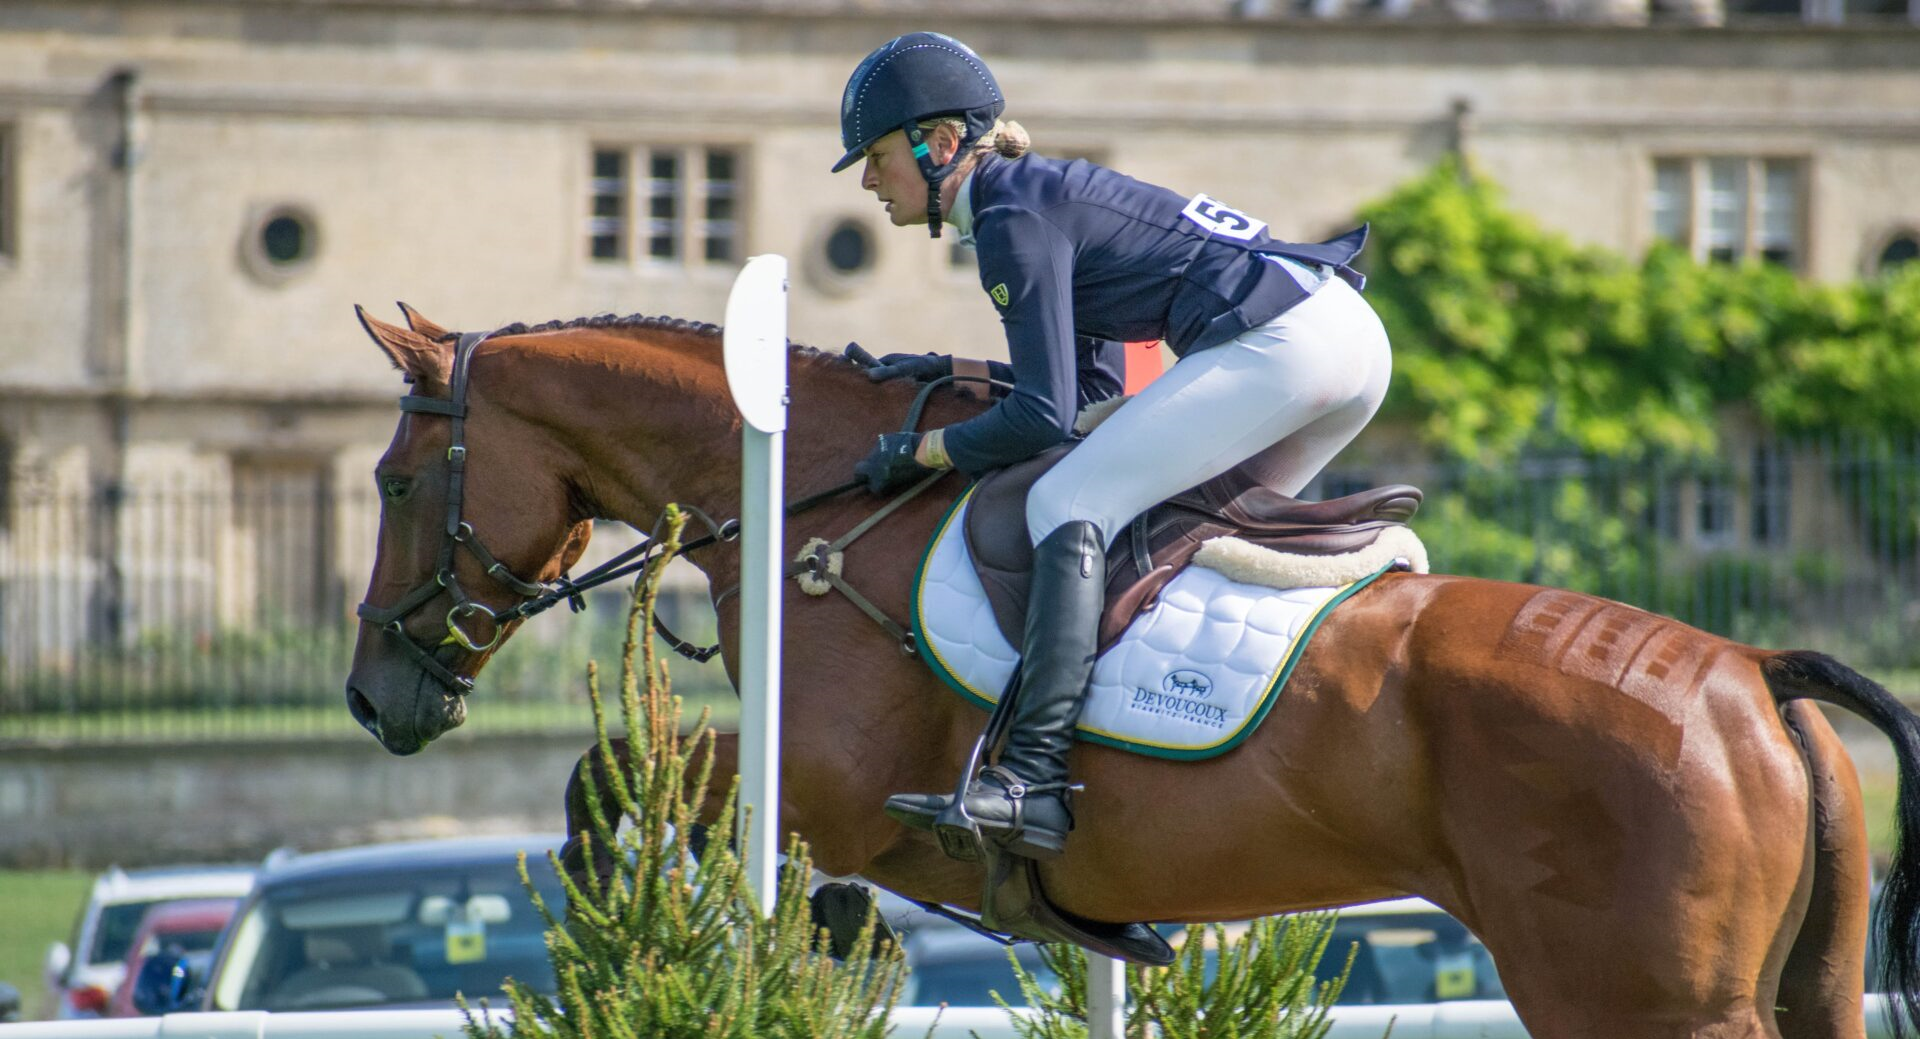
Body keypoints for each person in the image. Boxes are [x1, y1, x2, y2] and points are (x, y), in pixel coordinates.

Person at [839, 32, 1392, 861]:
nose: (870, 181)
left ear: (941, 144)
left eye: (877, 156)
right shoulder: (1032, 198)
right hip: (1343, 340)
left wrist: (921, 453)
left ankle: (1030, 778)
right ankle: (1180, 740)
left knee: (1065, 501)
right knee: (1170, 526)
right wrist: (949, 370)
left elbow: (1041, 418)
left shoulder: (1011, 219)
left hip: (1289, 343)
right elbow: (1088, 396)